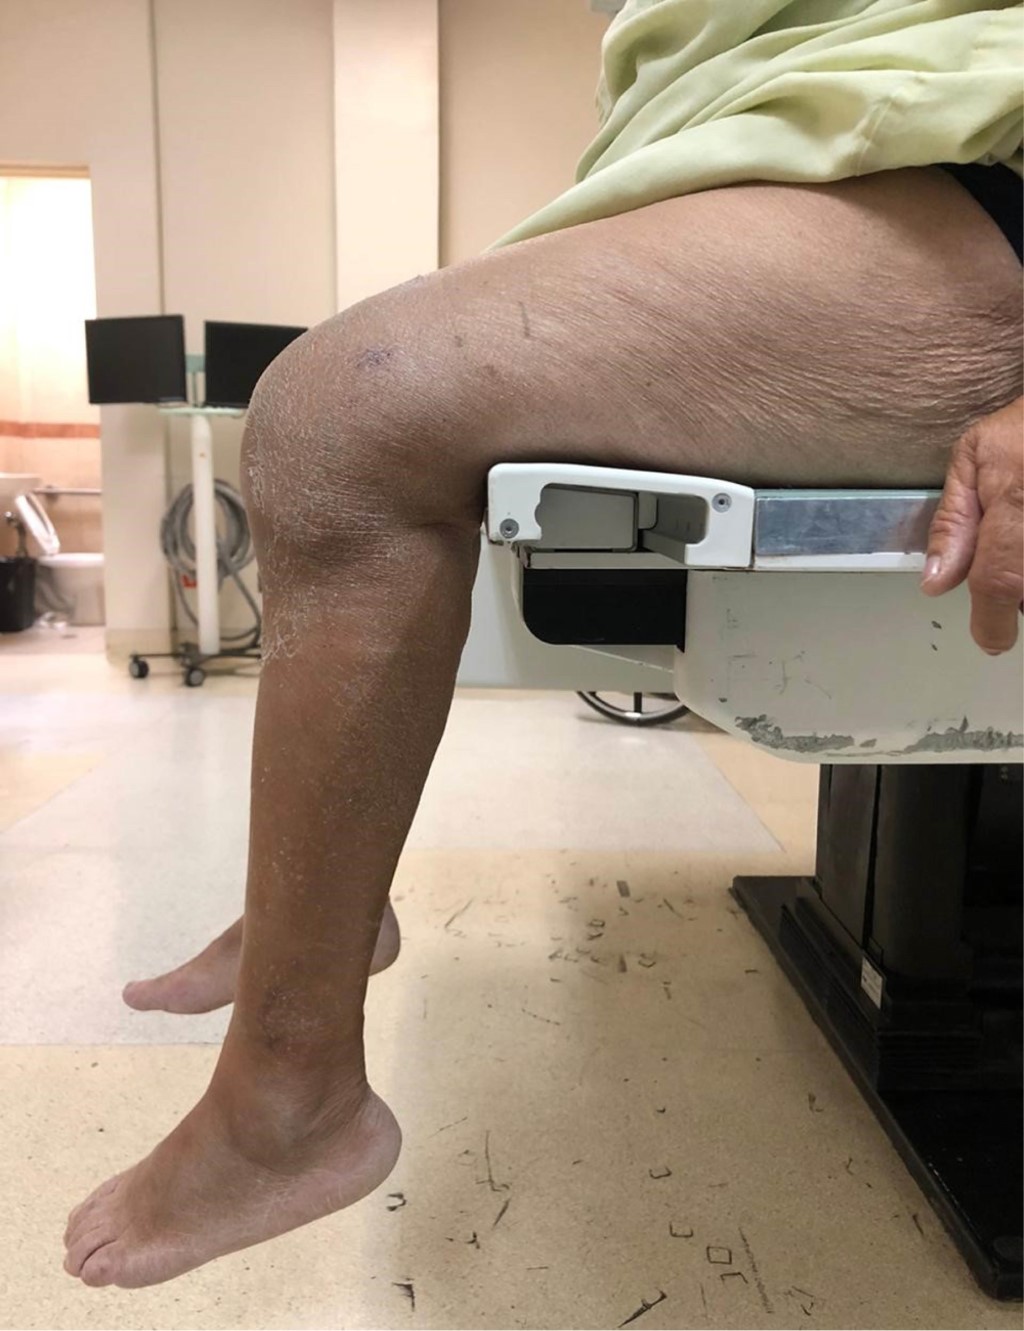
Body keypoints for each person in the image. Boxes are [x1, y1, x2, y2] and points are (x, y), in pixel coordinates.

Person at [64, 0, 1022, 1289]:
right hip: (831, 167)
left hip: (983, 191)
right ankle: (317, 920)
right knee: (360, 391)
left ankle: (286, 1105)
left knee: (340, 410)